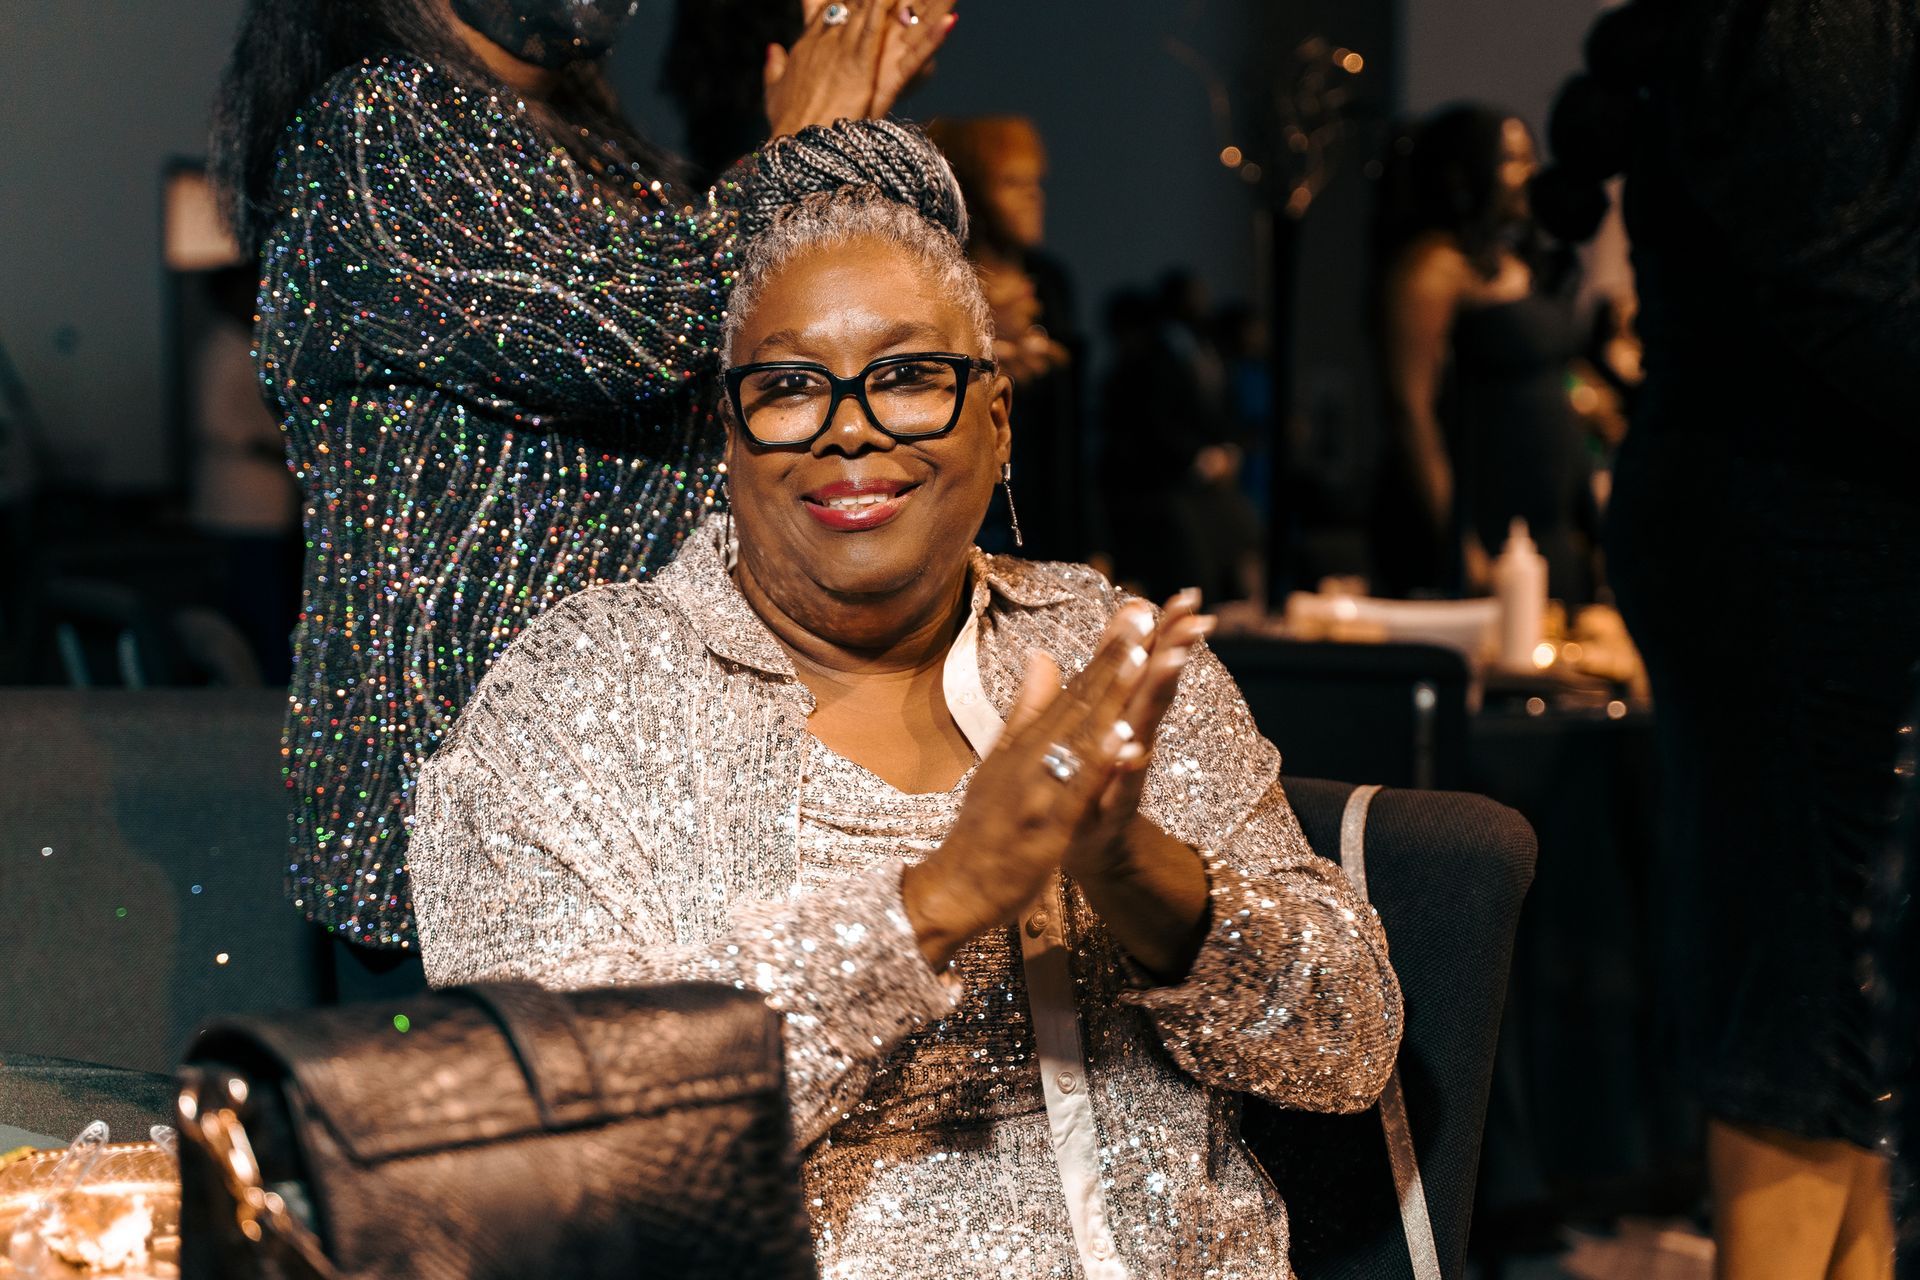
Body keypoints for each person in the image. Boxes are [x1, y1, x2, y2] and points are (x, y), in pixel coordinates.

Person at [408, 125, 1402, 1277]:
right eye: (787, 387)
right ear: (727, 436)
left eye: (911, 375)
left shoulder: (1103, 652)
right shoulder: (577, 696)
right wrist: (931, 903)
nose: (851, 425)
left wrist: (1134, 872)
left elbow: (1349, 1046)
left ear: (997, 417)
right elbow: (554, 1152)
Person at [208, 0, 954, 965]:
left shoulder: (607, 161)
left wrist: (832, 163)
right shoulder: (372, 128)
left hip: (637, 803)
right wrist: (804, 148)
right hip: (457, 836)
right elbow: (624, 327)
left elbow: (742, 338)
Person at [1566, 1, 1920, 1273]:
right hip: (1797, 518)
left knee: (1856, 978)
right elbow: (1840, 263)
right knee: (1808, 970)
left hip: (1818, 509)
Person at [1369, 105, 1595, 601]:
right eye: (1511, 159)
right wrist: (1459, 543)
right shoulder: (1433, 269)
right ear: (1465, 170)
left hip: (1546, 521)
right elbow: (1411, 410)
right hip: (1483, 518)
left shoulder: (1518, 262)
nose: (1529, 173)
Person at [924, 116, 1086, 561]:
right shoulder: (941, 282)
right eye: (1010, 183)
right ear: (972, 194)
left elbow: (1071, 431)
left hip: (1047, 511)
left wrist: (1093, 541)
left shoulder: (1050, 284)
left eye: (1035, 182)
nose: (1033, 197)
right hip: (971, 515)